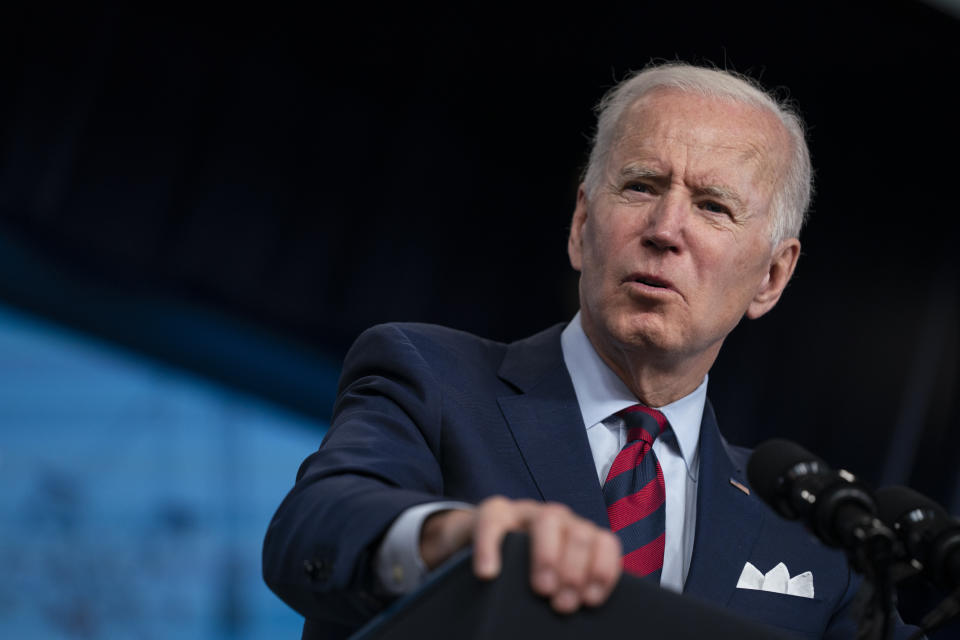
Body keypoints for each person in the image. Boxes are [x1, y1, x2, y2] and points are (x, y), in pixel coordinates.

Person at [263, 62, 914, 639]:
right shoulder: (430, 377)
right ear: (581, 225)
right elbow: (313, 527)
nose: (664, 231)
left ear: (771, 277)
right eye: (640, 186)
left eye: (713, 206)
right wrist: (446, 539)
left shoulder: (815, 537)